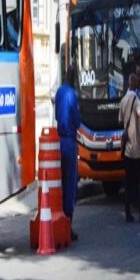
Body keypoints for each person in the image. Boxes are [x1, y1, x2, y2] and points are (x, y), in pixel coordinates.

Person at [54, 58, 81, 241]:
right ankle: (68, 225)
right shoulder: (73, 95)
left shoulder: (59, 92)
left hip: (59, 142)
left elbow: (57, 115)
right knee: (70, 186)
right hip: (70, 143)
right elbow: (77, 121)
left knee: (60, 184)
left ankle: (59, 222)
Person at [120, 67, 140, 223]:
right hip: (136, 148)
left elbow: (120, 120)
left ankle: (128, 213)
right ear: (134, 84)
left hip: (127, 149)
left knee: (128, 182)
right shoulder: (136, 101)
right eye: (137, 81)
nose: (138, 83)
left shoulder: (123, 101)